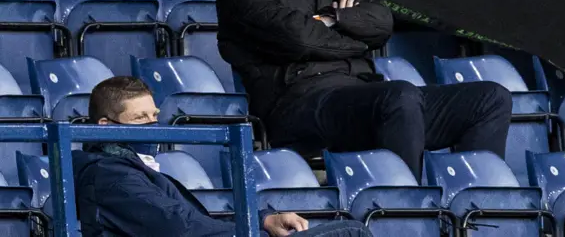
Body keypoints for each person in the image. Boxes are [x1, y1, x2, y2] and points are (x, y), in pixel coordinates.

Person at [216, 0, 512, 180]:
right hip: (298, 105)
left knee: (491, 97)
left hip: (361, 96)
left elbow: (381, 23)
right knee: (399, 95)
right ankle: (406, 215)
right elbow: (298, 37)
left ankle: (474, 210)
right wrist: (349, 34)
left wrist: (331, 18)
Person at [72, 76, 372, 237]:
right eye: (140, 118)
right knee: (350, 232)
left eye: (155, 115)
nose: (153, 125)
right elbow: (179, 226)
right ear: (106, 126)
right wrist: (254, 229)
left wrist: (264, 219)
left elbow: (193, 221)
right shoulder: (108, 175)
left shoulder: (126, 167)